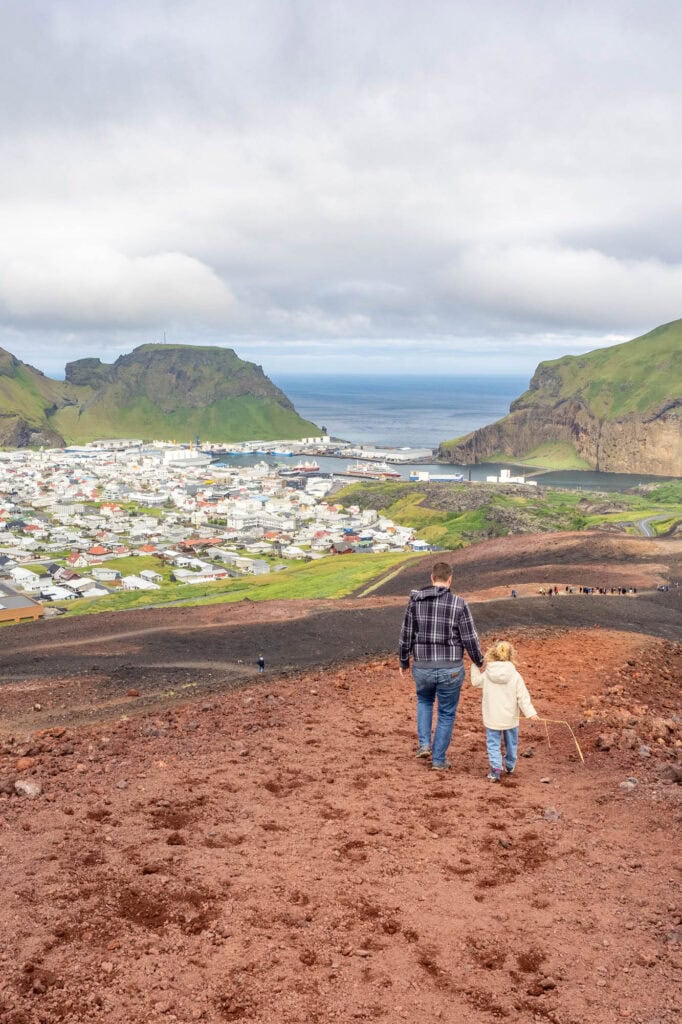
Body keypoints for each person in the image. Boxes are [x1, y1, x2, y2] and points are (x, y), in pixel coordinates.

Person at [399, 561, 484, 771]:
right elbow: (470, 638)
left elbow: (406, 634)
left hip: (423, 666)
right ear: (450, 579)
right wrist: (479, 661)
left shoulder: (415, 602)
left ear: (431, 577)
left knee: (424, 701)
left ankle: (424, 744)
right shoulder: (459, 604)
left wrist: (403, 660)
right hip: (451, 668)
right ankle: (438, 760)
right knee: (446, 713)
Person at [471, 640, 537, 782]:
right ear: (511, 655)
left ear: (493, 653)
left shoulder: (488, 674)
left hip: (492, 717)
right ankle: (510, 765)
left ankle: (495, 770)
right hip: (510, 719)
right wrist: (531, 713)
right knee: (511, 743)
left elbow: (475, 682)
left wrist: (475, 665)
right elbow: (522, 697)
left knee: (493, 743)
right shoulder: (515, 675)